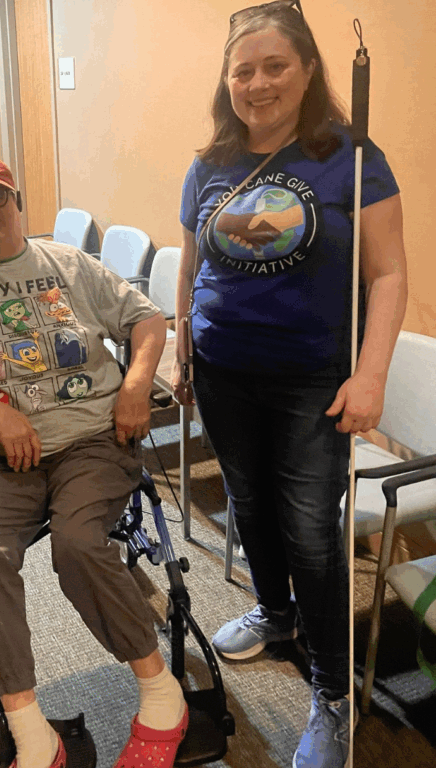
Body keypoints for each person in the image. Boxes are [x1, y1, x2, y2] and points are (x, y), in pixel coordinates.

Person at [170, 3, 407, 767]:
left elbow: (390, 273)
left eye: (276, 66)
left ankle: (333, 694)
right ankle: (275, 615)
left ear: (308, 70)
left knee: (310, 530)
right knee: (248, 506)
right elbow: (189, 264)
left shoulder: (351, 156)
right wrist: (182, 349)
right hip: (222, 369)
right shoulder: (210, 163)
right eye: (243, 70)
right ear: (226, 81)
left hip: (312, 379)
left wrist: (370, 375)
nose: (258, 82)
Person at [0, 155, 187, 768]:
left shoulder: (68, 265)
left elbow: (146, 320)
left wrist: (136, 385)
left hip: (90, 439)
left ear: (19, 203)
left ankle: (159, 689)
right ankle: (32, 730)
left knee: (78, 542)